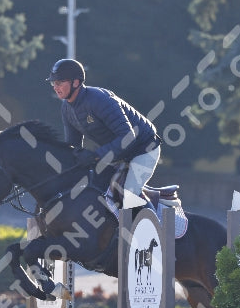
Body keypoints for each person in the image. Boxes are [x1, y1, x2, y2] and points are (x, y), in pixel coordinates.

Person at [46, 58, 162, 209]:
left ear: (75, 82)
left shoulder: (100, 100)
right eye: (53, 83)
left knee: (128, 195)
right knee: (98, 192)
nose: (55, 87)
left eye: (59, 82)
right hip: (120, 154)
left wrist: (96, 155)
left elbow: (128, 137)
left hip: (144, 148)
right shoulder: (66, 108)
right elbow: (72, 146)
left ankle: (157, 229)